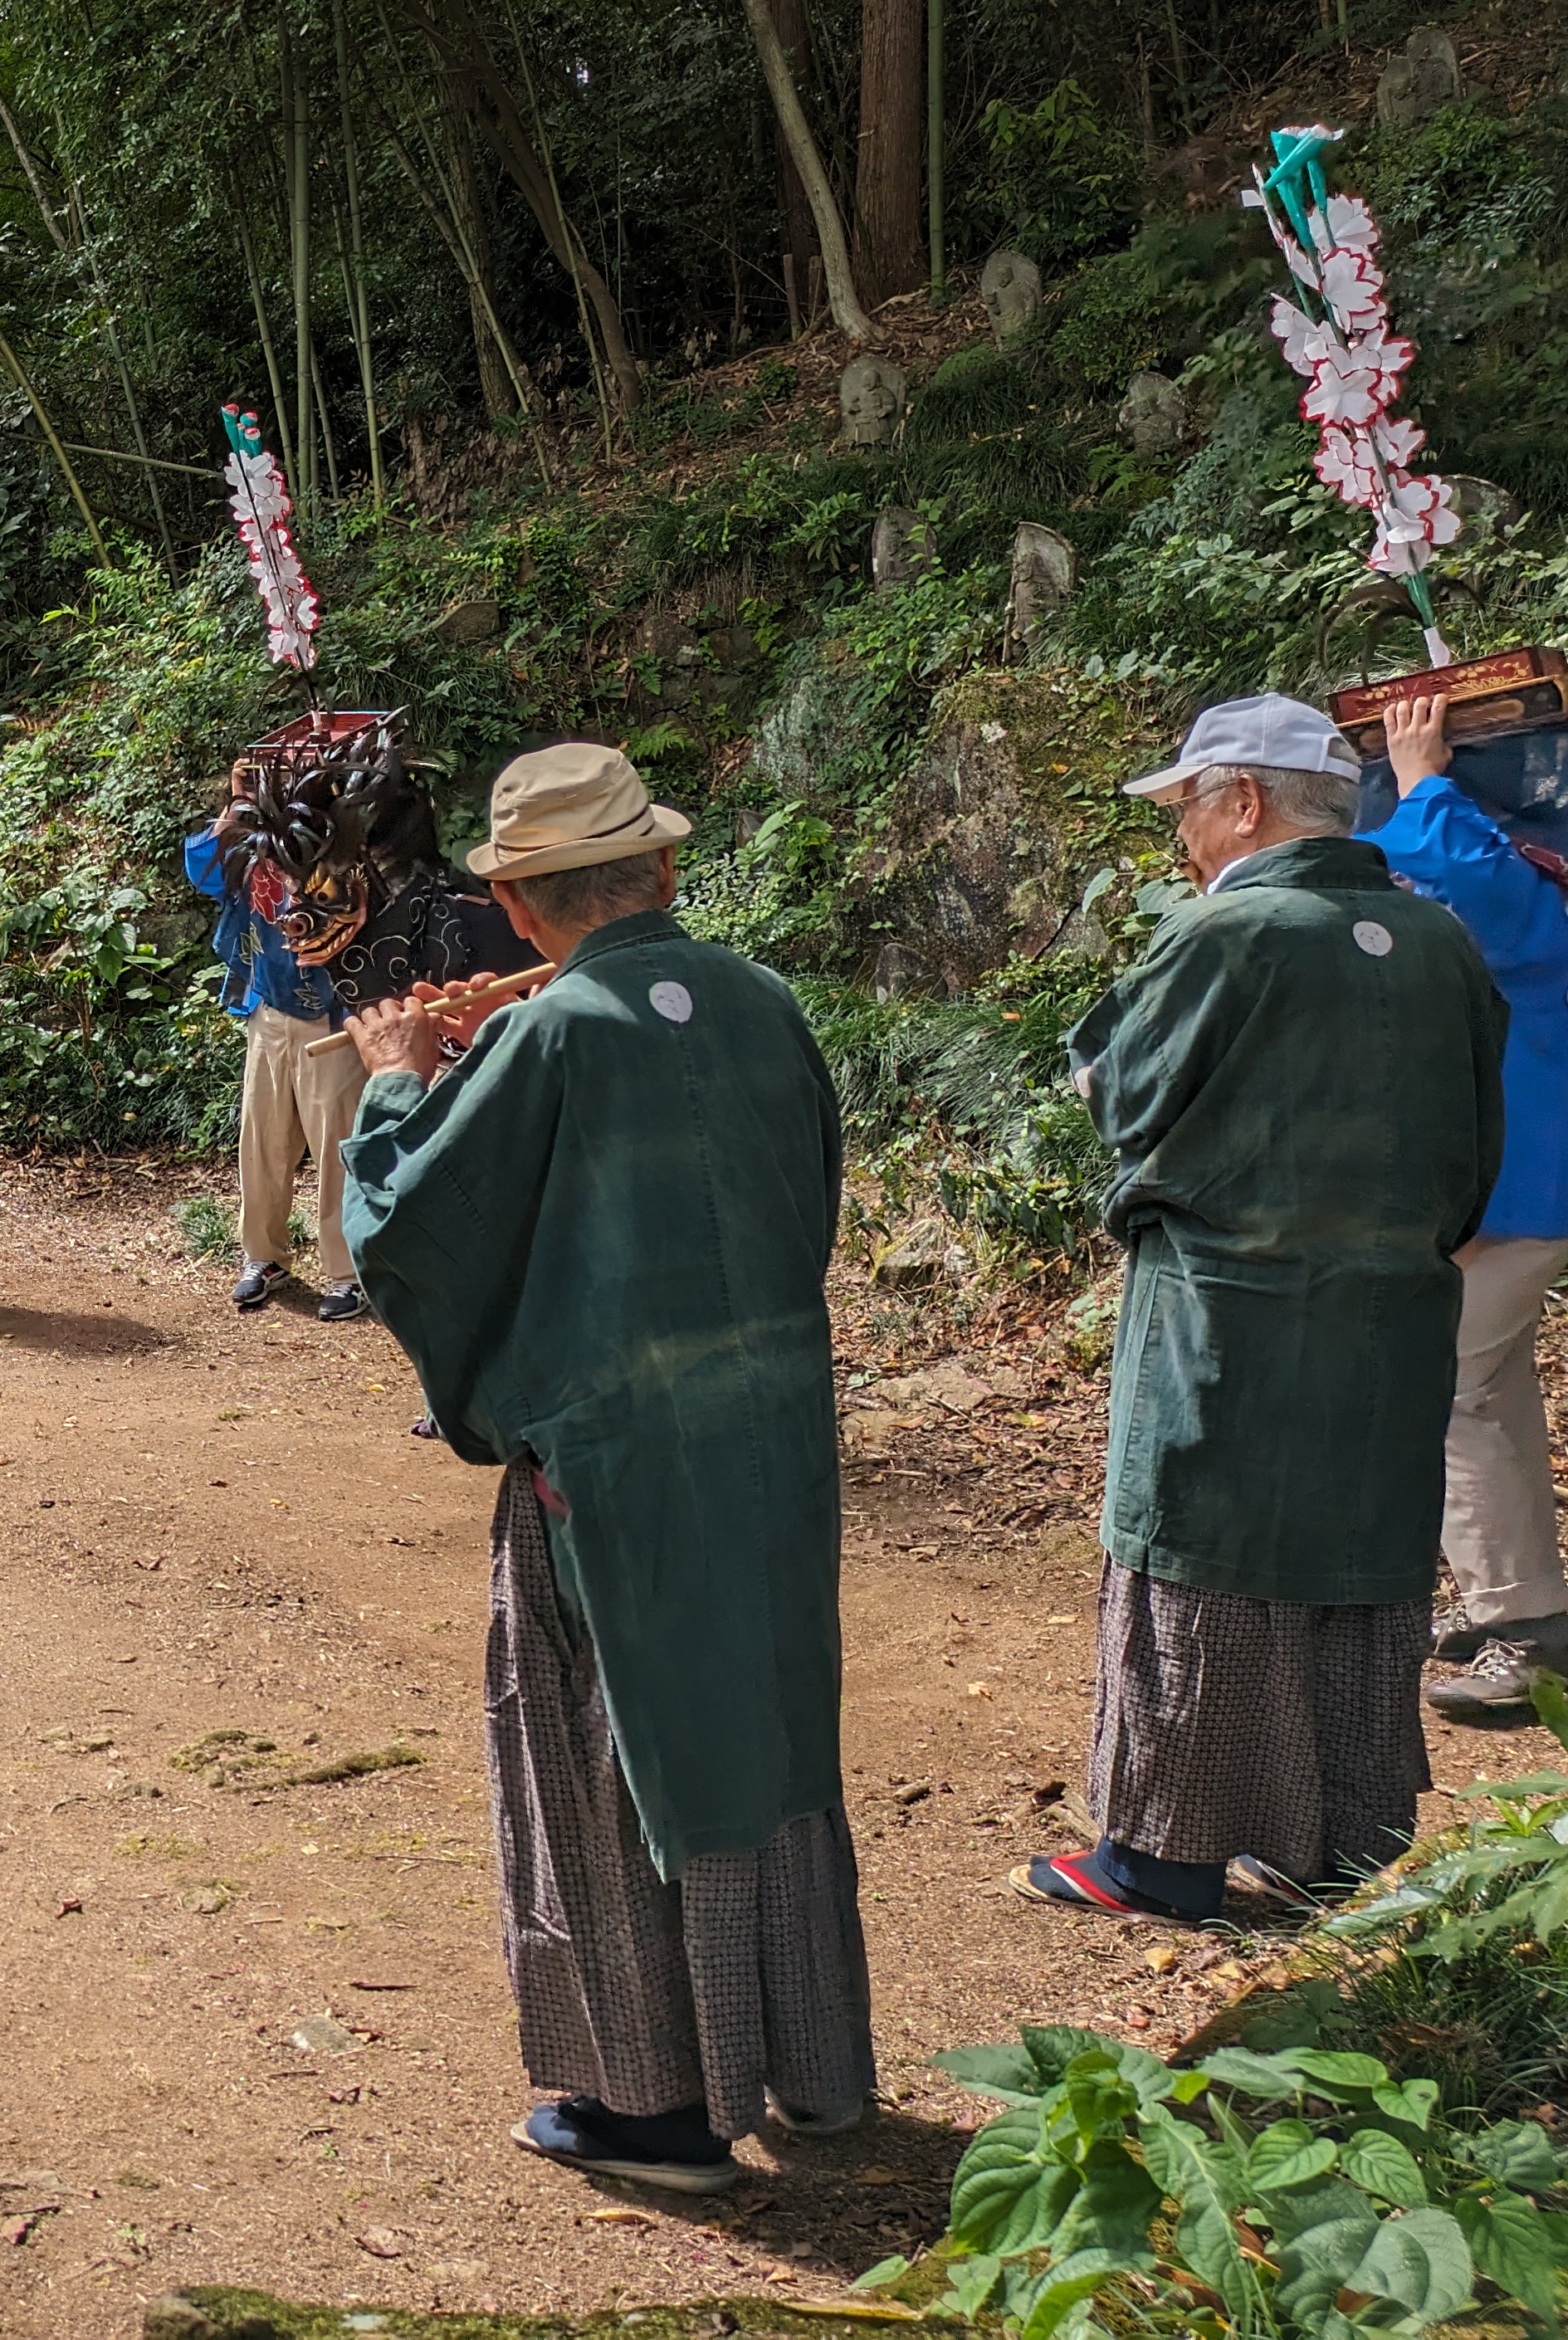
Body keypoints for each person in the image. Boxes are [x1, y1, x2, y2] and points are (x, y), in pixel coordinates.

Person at [341, 741, 872, 2195]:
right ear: (664, 869)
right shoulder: (761, 1002)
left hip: (613, 1453)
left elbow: (415, 1226)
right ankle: (808, 2064)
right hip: (765, 1428)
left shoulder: (554, 1028)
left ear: (513, 907)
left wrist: (398, 1083)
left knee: (612, 1745)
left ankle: (651, 2104)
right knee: (761, 1718)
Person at [1018, 695, 1503, 1924]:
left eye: (1189, 804)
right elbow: (1476, 1147)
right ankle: (1341, 1845)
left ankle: (1164, 1861)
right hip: (1391, 1308)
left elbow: (1121, 1094)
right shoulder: (1440, 939)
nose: (1183, 836)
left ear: (1243, 802)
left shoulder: (1227, 935)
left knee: (1204, 1566)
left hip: (1224, 1311)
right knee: (1359, 1565)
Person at [1365, 691, 1568, 1720]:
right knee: (1492, 1389)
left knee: (1450, 1386)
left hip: (1516, 1179)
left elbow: (1466, 873)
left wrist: (1422, 775)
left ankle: (1523, 1631)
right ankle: (1532, 1610)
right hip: (1529, 1175)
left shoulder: (1527, 892)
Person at [188, 729, 529, 1323]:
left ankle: (347, 1270)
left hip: (340, 1011)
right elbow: (206, 873)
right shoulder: (263, 840)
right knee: (262, 1141)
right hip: (271, 1006)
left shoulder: (357, 848)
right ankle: (261, 1255)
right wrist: (232, 811)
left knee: (338, 1144)